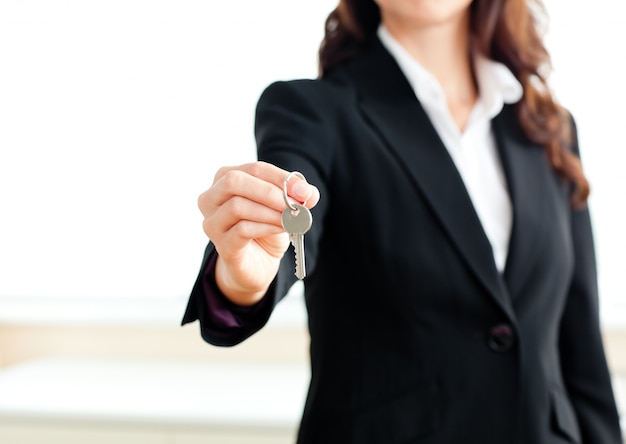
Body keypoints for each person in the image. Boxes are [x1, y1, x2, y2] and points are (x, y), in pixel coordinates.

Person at [182, 0, 624, 442]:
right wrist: (243, 279)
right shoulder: (313, 112)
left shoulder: (548, 129)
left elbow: (582, 351)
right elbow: (289, 219)